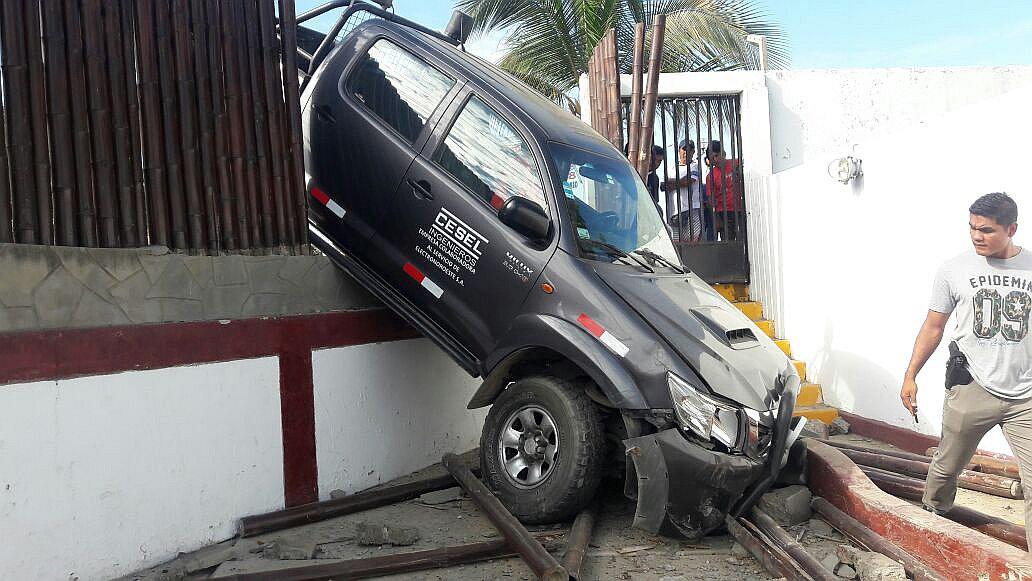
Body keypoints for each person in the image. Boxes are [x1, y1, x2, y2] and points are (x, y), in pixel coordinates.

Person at [900, 192, 1032, 550]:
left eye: (986, 230)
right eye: (972, 228)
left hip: (1026, 398)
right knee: (947, 466)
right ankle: (932, 516)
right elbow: (933, 327)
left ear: (1012, 229)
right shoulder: (954, 270)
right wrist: (911, 375)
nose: (976, 236)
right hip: (972, 385)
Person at [660, 139, 703, 243]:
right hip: (674, 212)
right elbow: (662, 186)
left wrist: (671, 183)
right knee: (676, 243)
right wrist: (681, 182)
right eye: (684, 149)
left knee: (692, 239)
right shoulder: (671, 168)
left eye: (690, 150)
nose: (686, 152)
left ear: (693, 152)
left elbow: (689, 181)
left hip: (691, 210)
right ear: (679, 151)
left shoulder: (695, 166)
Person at [704, 140, 742, 241]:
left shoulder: (737, 163)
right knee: (728, 245)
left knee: (745, 242)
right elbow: (711, 200)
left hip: (740, 210)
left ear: (723, 153)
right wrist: (716, 219)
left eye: (716, 156)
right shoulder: (710, 176)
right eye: (711, 158)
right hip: (724, 214)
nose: (715, 160)